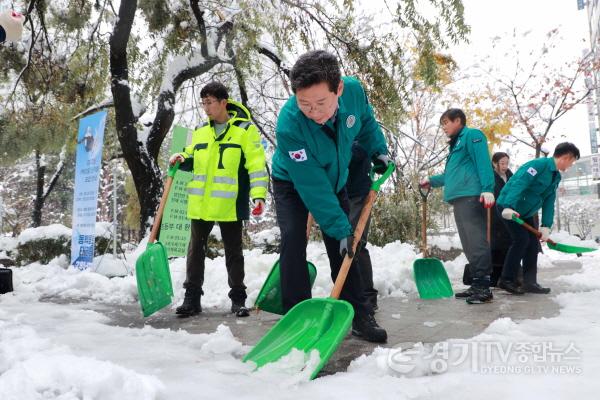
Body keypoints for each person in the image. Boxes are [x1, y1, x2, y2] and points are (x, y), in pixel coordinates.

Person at [271, 50, 393, 343]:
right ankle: (297, 319)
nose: (313, 112)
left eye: (321, 103)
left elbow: (365, 121)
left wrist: (377, 148)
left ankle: (360, 316)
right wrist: (338, 228)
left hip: (334, 178)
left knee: (344, 247)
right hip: (292, 181)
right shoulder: (290, 125)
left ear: (338, 89)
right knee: (293, 237)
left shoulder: (353, 91)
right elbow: (312, 187)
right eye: (305, 104)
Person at [169, 82, 268, 317]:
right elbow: (192, 154)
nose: (206, 108)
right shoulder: (201, 130)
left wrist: (259, 196)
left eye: (210, 102)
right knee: (195, 251)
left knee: (234, 253)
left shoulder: (245, 130)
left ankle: (238, 300)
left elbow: (255, 165)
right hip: (201, 203)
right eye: (203, 103)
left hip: (229, 203)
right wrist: (181, 157)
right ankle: (191, 299)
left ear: (224, 102)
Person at [420, 108, 495, 304]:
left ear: (458, 120)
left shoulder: (472, 135)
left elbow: (483, 162)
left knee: (476, 241)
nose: (443, 127)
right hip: (460, 198)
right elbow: (450, 176)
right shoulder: (455, 147)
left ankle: (484, 287)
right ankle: (477, 283)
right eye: (442, 123)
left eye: (446, 122)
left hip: (471, 195)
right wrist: (431, 180)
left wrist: (488, 188)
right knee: (468, 243)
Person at [496, 142, 580, 295]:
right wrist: (509, 205)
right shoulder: (538, 166)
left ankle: (530, 282)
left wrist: (546, 226)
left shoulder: (555, 176)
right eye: (572, 161)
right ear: (566, 157)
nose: (571, 165)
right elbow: (519, 183)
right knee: (521, 240)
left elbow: (549, 201)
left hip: (525, 213)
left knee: (532, 245)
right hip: (508, 207)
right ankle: (506, 279)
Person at [347, 141, 378, 312]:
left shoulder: (357, 131)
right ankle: (353, 294)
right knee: (346, 244)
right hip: (342, 194)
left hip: (357, 194)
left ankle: (367, 296)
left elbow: (357, 152)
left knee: (355, 244)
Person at [490, 152, 513, 287]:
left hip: (509, 213)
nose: (505, 166)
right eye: (502, 163)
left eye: (506, 163)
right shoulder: (491, 177)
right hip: (494, 215)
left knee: (509, 244)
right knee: (496, 246)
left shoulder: (510, 176)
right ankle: (495, 277)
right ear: (495, 163)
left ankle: (508, 275)